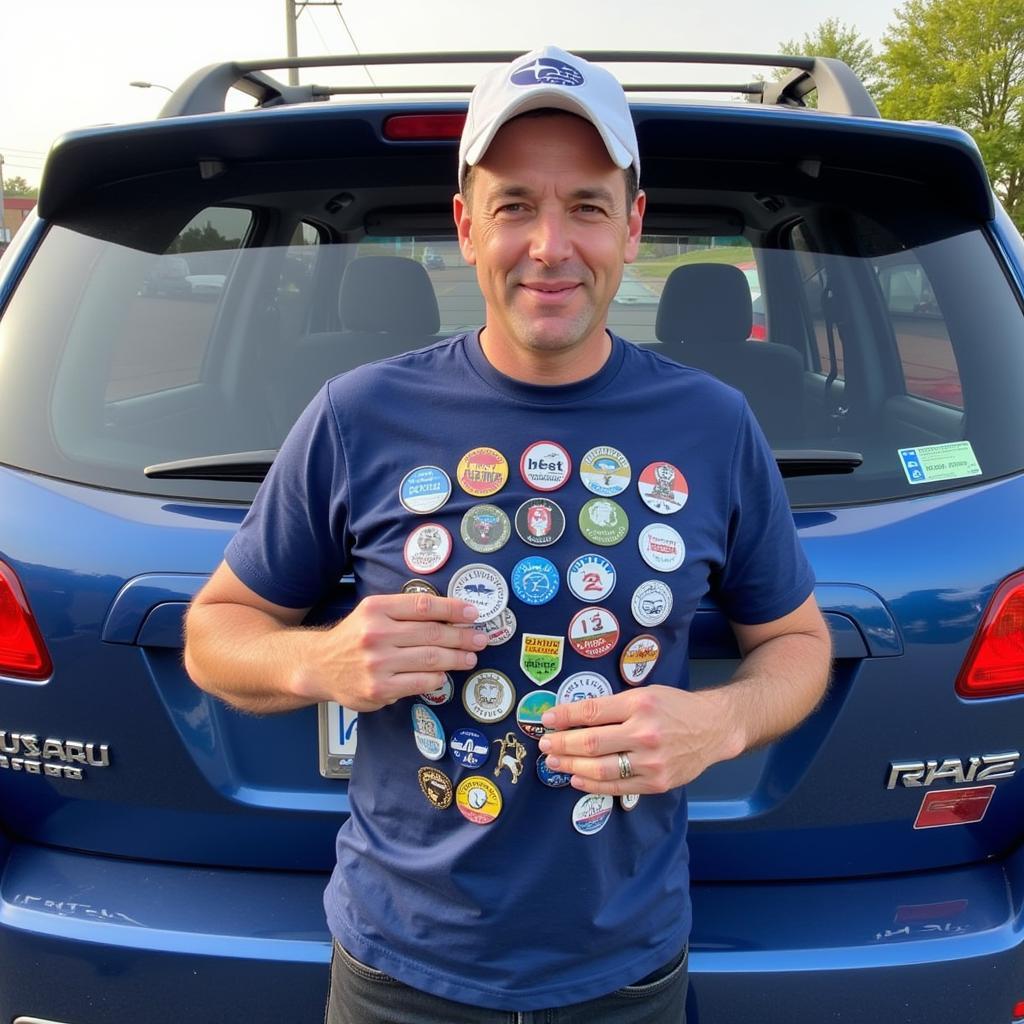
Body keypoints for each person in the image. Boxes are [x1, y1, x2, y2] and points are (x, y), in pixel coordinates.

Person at [184, 44, 832, 1023]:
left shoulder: (713, 424)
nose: (549, 246)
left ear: (632, 225)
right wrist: (321, 659)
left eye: (585, 206)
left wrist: (719, 722)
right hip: (401, 969)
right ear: (465, 225)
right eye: (515, 205)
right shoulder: (357, 415)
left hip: (625, 969)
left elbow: (796, 643)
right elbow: (213, 632)